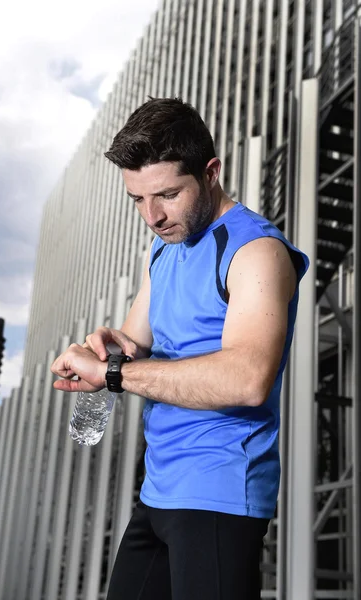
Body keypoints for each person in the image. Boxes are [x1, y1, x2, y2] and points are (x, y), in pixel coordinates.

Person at [51, 97, 309, 600]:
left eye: (167, 194)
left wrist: (114, 375)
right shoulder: (165, 247)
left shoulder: (255, 251)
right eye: (138, 200)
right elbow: (136, 342)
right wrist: (108, 348)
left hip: (220, 491)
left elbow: (247, 379)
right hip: (157, 489)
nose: (153, 216)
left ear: (210, 172)